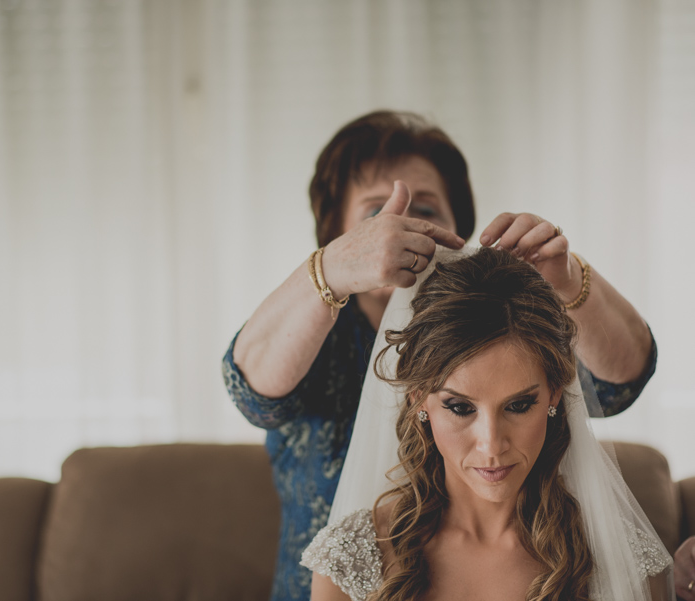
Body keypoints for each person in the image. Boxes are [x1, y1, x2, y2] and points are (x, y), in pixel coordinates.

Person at [221, 110, 658, 601]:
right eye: (374, 213)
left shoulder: (506, 330)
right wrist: (336, 266)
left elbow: (622, 381)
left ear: (456, 229)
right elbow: (250, 392)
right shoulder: (316, 334)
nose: (402, 223)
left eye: (424, 209)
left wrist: (568, 279)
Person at [301, 247, 672, 601]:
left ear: (554, 395)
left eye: (520, 405)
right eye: (461, 408)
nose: (492, 445)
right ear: (418, 399)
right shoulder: (352, 557)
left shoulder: (620, 555)